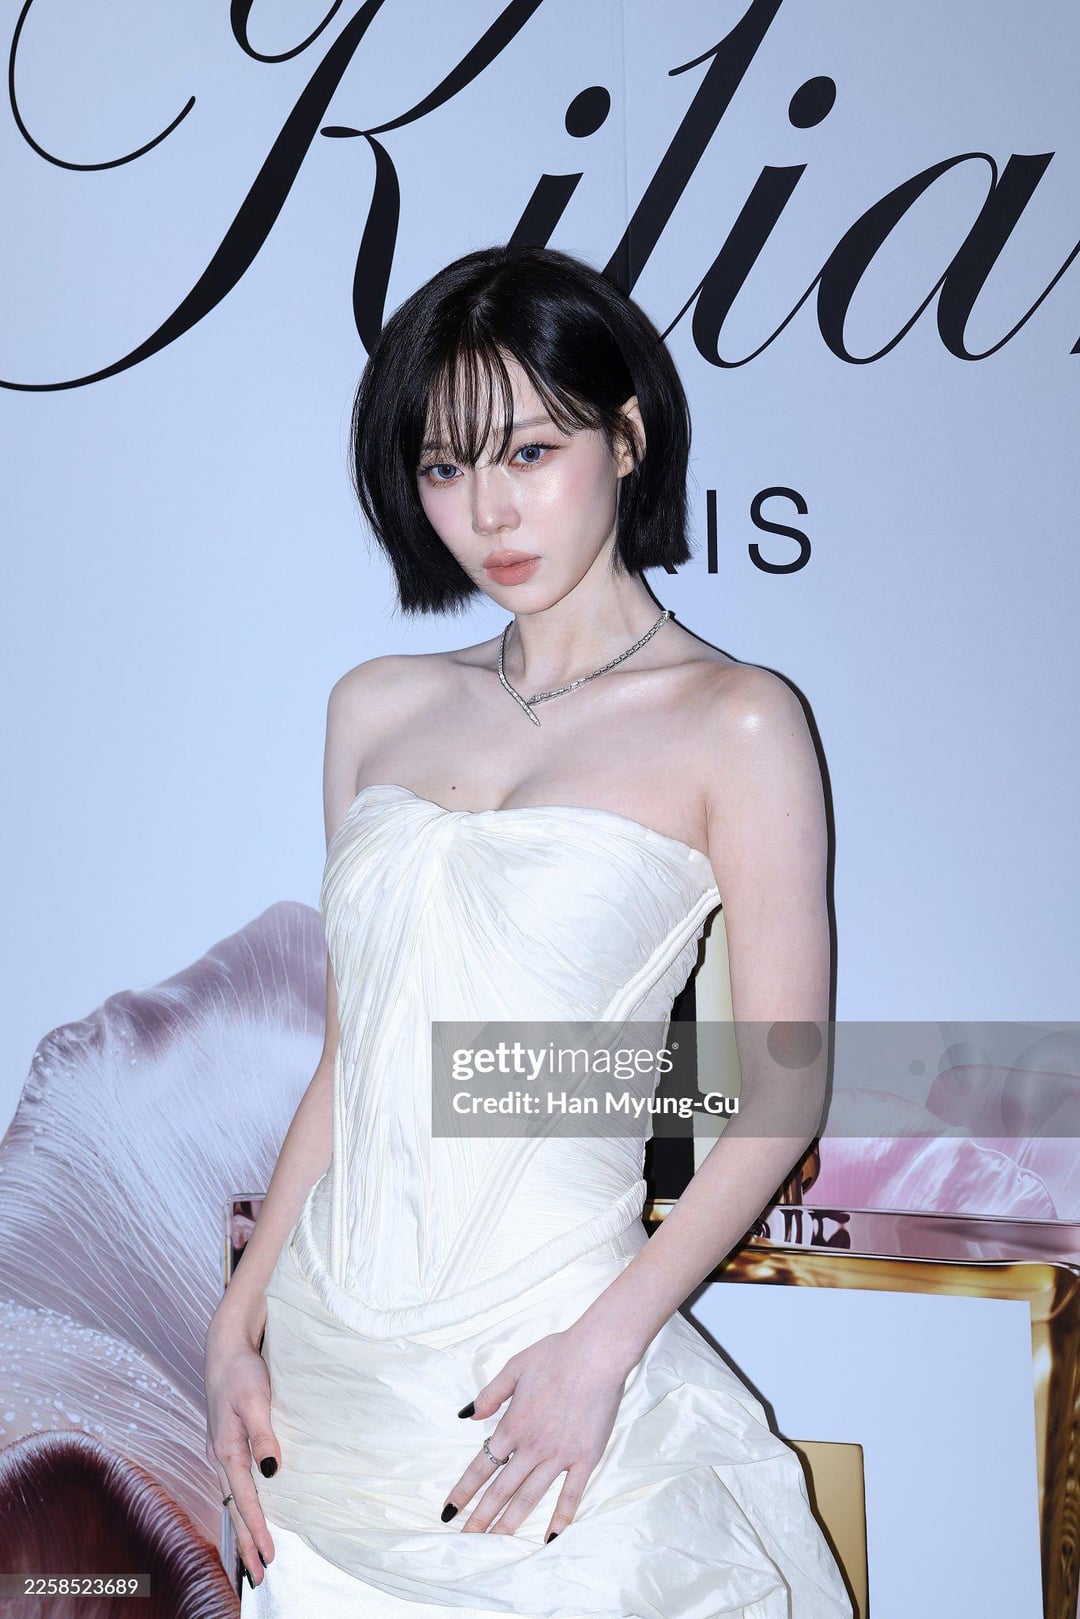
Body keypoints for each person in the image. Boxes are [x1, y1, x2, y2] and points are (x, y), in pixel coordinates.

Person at [203, 243, 854, 1618]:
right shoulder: (375, 706)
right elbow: (358, 1055)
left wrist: (602, 1353)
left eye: (530, 451)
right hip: (327, 1390)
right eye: (444, 466)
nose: (487, 510)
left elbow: (782, 1091)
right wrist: (236, 1318)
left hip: (546, 1360)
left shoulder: (737, 721)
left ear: (627, 436)